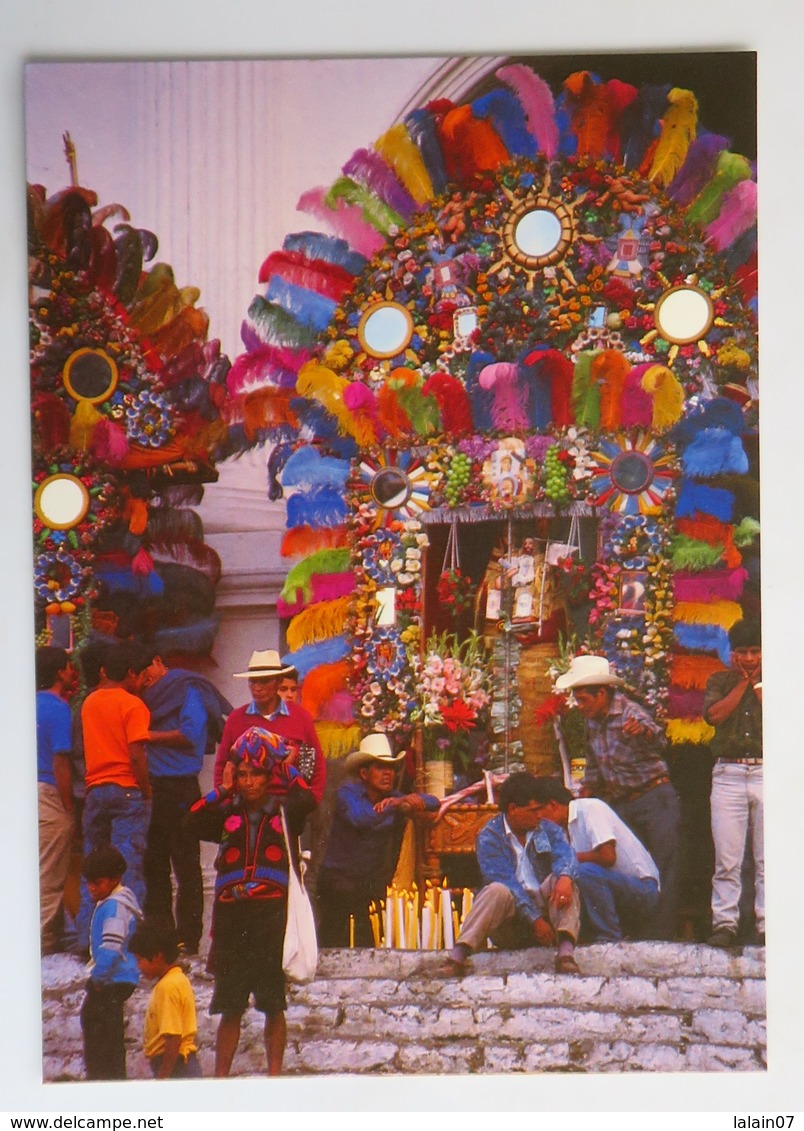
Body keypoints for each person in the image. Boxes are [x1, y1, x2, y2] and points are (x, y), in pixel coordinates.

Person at [187, 726, 315, 1076]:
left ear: (267, 774)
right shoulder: (227, 813)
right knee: (230, 1005)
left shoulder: (285, 812)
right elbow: (190, 820)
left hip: (269, 918)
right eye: (241, 774)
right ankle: (221, 1079)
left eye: (255, 773)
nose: (248, 781)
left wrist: (284, 765)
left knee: (273, 1003)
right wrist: (224, 788)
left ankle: (274, 1076)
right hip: (231, 920)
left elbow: (309, 799)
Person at [556, 654, 681, 940]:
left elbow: (660, 740)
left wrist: (644, 732)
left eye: (584, 699)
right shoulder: (591, 722)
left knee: (663, 866)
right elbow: (593, 764)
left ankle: (661, 936)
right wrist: (585, 794)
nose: (580, 705)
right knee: (630, 868)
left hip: (654, 798)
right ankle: (633, 933)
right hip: (621, 803)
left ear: (602, 693)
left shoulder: (630, 713)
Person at [443, 772, 583, 975]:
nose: (539, 815)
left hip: (547, 915)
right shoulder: (489, 837)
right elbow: (506, 881)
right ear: (513, 809)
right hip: (512, 921)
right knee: (496, 890)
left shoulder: (546, 829)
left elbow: (565, 852)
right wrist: (534, 919)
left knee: (561, 881)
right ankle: (457, 957)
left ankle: (566, 954)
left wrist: (564, 877)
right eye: (532, 810)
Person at [140, 651, 232, 954]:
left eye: (147, 672)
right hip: (152, 788)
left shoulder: (186, 688)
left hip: (180, 788)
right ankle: (159, 935)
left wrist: (148, 736)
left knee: (186, 865)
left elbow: (191, 734)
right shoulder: (144, 697)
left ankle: (188, 937)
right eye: (139, 676)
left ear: (158, 661)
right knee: (153, 864)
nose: (145, 680)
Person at [316, 733, 439, 947]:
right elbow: (361, 818)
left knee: (369, 939)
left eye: (390, 768)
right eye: (381, 768)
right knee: (334, 941)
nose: (388, 774)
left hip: (368, 882)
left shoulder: (391, 795)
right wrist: (396, 804)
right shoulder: (348, 792)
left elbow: (432, 801)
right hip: (338, 880)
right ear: (364, 773)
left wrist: (401, 800)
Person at [75, 642, 153, 951]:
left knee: (93, 865)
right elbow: (136, 754)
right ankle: (125, 940)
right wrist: (146, 789)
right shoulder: (134, 706)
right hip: (127, 791)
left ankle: (87, 938)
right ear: (131, 674)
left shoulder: (89, 703)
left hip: (96, 790)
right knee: (128, 865)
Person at [530, 777, 660, 941]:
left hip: (642, 889)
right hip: (611, 890)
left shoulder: (591, 808)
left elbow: (608, 857)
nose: (537, 818)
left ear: (553, 805)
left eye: (538, 812)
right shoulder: (557, 831)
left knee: (583, 872)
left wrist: (568, 860)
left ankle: (609, 938)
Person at [703, 619, 764, 947]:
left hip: (768, 771)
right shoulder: (720, 680)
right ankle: (725, 923)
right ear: (733, 654)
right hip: (727, 774)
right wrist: (743, 683)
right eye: (743, 651)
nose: (750, 657)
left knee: (768, 856)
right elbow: (714, 716)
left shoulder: (779, 678)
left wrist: (758, 685)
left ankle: (769, 922)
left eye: (756, 651)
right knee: (727, 858)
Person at [214, 650, 325, 805]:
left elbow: (317, 761)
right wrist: (225, 803)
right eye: (253, 682)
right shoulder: (236, 719)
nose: (257, 688)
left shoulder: (301, 717)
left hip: (290, 802)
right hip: (246, 804)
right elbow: (222, 764)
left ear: (279, 681)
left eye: (264, 681)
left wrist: (312, 798)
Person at [80, 845, 142, 1080]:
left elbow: (111, 947)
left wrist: (97, 978)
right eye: (89, 883)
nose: (91, 888)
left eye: (97, 882)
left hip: (113, 979)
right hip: (113, 977)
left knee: (101, 1030)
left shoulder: (115, 907)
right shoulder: (112, 902)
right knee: (105, 1029)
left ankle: (103, 1078)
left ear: (115, 879)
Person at [36, 645, 78, 954]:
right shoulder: (58, 708)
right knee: (48, 876)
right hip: (49, 793)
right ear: (59, 672)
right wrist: (68, 806)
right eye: (67, 665)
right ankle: (38, 940)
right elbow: (60, 762)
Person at [129, 921, 201, 1078]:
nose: (138, 966)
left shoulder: (166, 988)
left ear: (157, 956)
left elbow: (173, 1037)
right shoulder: (179, 978)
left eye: (140, 959)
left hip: (175, 1065)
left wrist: (164, 1077)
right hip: (183, 1061)